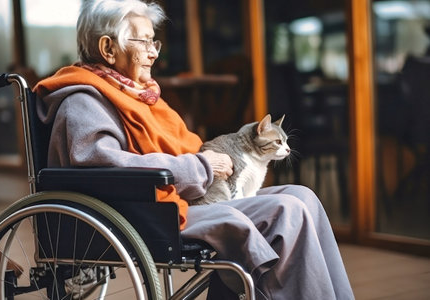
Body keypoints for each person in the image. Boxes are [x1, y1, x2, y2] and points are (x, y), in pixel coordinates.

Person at [34, 0, 354, 299]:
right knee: (286, 211)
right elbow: (105, 166)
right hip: (149, 213)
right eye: (143, 42)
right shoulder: (82, 103)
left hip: (174, 199)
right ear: (107, 48)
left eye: (153, 42)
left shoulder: (136, 95)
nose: (153, 53)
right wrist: (200, 166)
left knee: (303, 198)